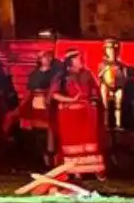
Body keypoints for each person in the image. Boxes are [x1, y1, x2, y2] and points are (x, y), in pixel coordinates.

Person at [51, 49, 106, 178]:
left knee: (89, 141)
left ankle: (94, 169)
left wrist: (93, 100)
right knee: (73, 142)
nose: (81, 60)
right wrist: (71, 100)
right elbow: (54, 94)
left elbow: (94, 91)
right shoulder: (62, 77)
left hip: (86, 113)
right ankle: (75, 170)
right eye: (78, 58)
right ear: (71, 61)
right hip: (69, 115)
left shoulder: (87, 74)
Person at [15, 50, 58, 167]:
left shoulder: (55, 73)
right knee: (38, 131)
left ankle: (52, 156)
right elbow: (30, 90)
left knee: (51, 130)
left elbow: (56, 87)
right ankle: (44, 157)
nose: (46, 59)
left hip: (50, 104)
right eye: (43, 57)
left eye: (48, 57)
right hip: (37, 103)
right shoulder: (34, 74)